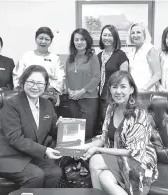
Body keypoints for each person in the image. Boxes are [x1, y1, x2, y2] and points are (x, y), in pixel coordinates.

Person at [80, 70, 158, 195]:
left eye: (123, 87)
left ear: (131, 89)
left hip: (139, 159)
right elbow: (104, 138)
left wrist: (99, 150)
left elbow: (132, 151)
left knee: (95, 160)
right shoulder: (111, 108)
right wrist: (83, 147)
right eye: (114, 87)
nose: (118, 91)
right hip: (118, 156)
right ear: (110, 89)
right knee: (104, 177)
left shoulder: (138, 114)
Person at [0, 65, 62, 188]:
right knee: (35, 175)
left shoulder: (47, 105)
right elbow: (15, 138)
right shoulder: (12, 104)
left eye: (40, 83)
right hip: (7, 157)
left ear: (45, 85)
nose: (35, 87)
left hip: (30, 156)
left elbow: (53, 131)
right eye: (31, 82)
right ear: (23, 82)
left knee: (55, 172)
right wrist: (44, 151)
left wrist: (63, 128)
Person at [65, 28, 100, 175]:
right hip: (72, 99)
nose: (79, 42)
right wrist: (69, 90)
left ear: (87, 41)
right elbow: (66, 77)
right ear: (73, 42)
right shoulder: (70, 58)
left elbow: (96, 78)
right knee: (74, 132)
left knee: (87, 131)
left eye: (82, 39)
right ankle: (76, 161)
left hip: (89, 98)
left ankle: (86, 163)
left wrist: (82, 91)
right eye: (76, 40)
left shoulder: (93, 57)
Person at [13, 27, 65, 106]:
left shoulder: (55, 58)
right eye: (40, 38)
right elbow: (17, 76)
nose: (43, 41)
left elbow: (60, 79)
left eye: (47, 39)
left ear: (51, 41)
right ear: (36, 39)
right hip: (27, 95)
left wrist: (45, 89)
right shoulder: (27, 56)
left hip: (48, 95)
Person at [97, 24, 129, 134]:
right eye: (104, 35)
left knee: (113, 128)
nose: (106, 38)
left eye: (110, 35)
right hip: (100, 98)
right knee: (103, 127)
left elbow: (124, 77)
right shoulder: (99, 55)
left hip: (113, 97)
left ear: (115, 37)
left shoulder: (121, 55)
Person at [127, 22, 161, 91]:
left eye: (138, 32)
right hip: (133, 91)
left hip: (146, 91)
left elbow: (157, 74)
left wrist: (144, 89)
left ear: (144, 34)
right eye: (133, 33)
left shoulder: (149, 49)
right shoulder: (131, 52)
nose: (135, 35)